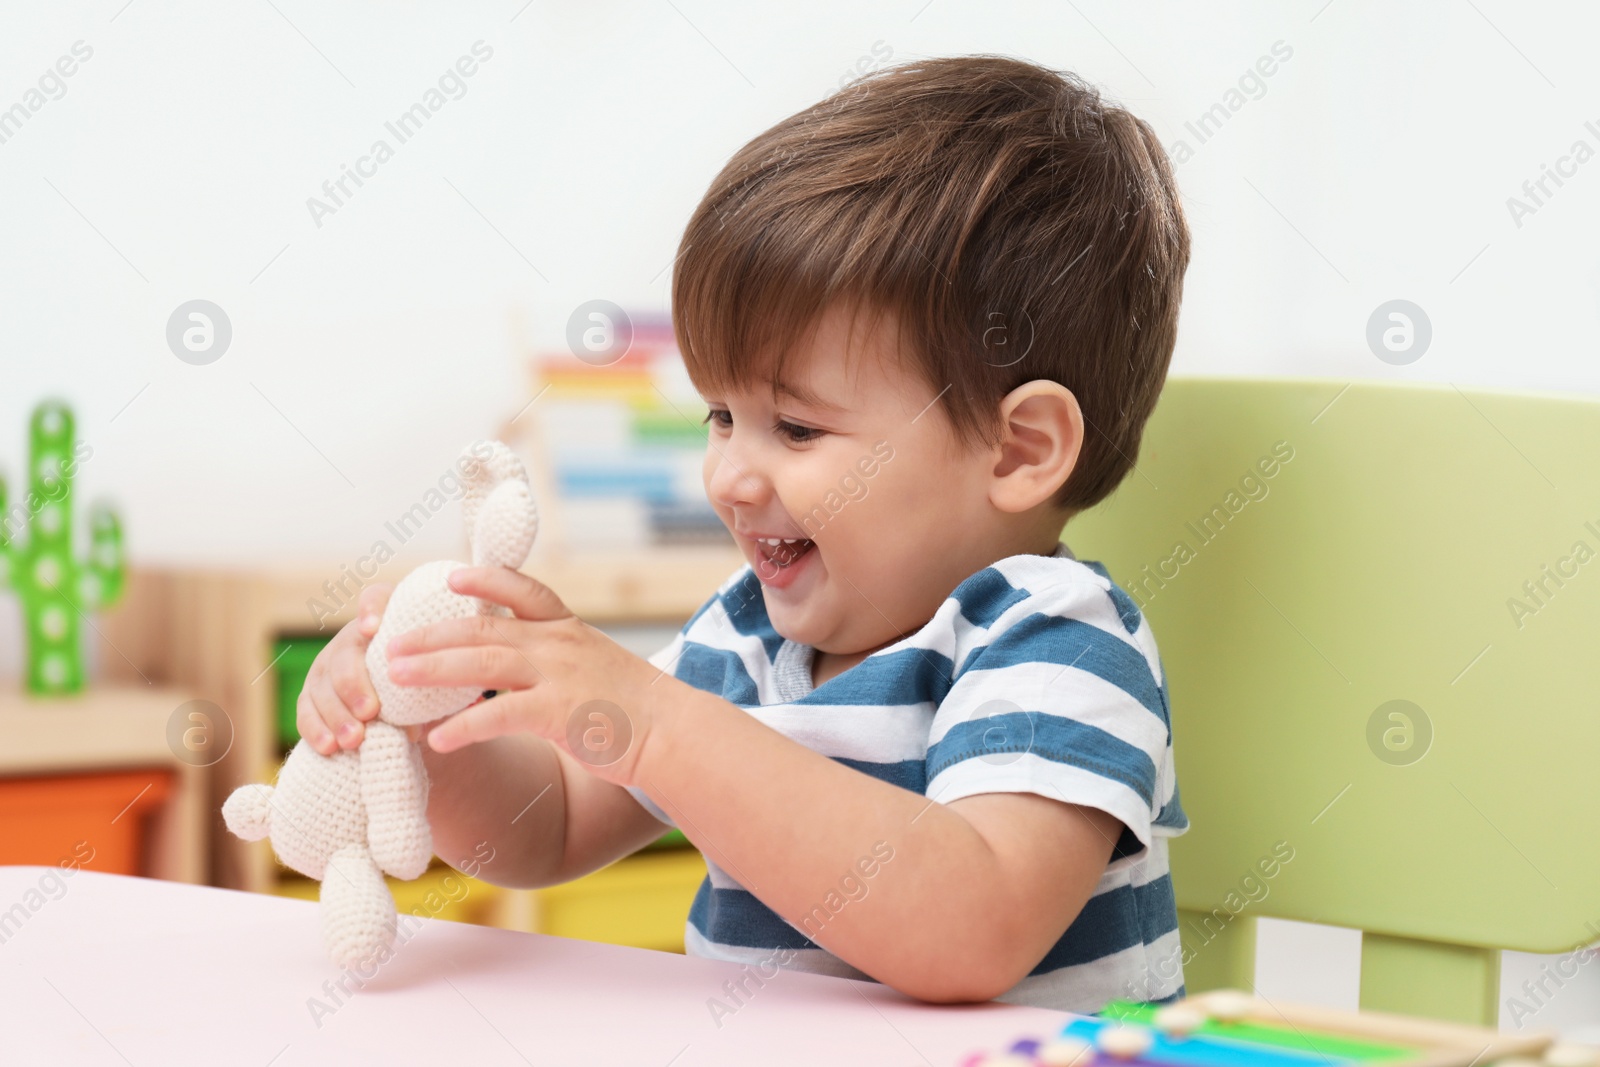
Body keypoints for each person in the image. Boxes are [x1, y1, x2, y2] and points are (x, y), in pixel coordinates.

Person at [296, 53, 1191, 1011]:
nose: (726, 474)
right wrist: (434, 726)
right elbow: (543, 831)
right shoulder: (745, 636)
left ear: (1017, 451)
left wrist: (657, 725)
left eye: (796, 427)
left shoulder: (1056, 643)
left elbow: (971, 930)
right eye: (721, 416)